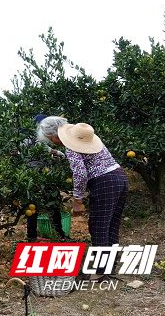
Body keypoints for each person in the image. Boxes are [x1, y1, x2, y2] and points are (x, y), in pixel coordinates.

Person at [37, 116, 128, 279]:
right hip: (120, 177)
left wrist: (77, 199)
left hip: (104, 182)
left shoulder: (71, 145)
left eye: (51, 140)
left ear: (55, 136)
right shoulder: (82, 135)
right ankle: (110, 265)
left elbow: (80, 173)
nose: (52, 143)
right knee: (111, 224)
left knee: (98, 226)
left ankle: (101, 272)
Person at [23, 114, 67, 241]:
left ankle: (36, 235)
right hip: (38, 175)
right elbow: (45, 149)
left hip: (36, 175)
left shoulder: (28, 138)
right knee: (43, 205)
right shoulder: (32, 139)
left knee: (34, 206)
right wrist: (58, 153)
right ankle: (57, 234)